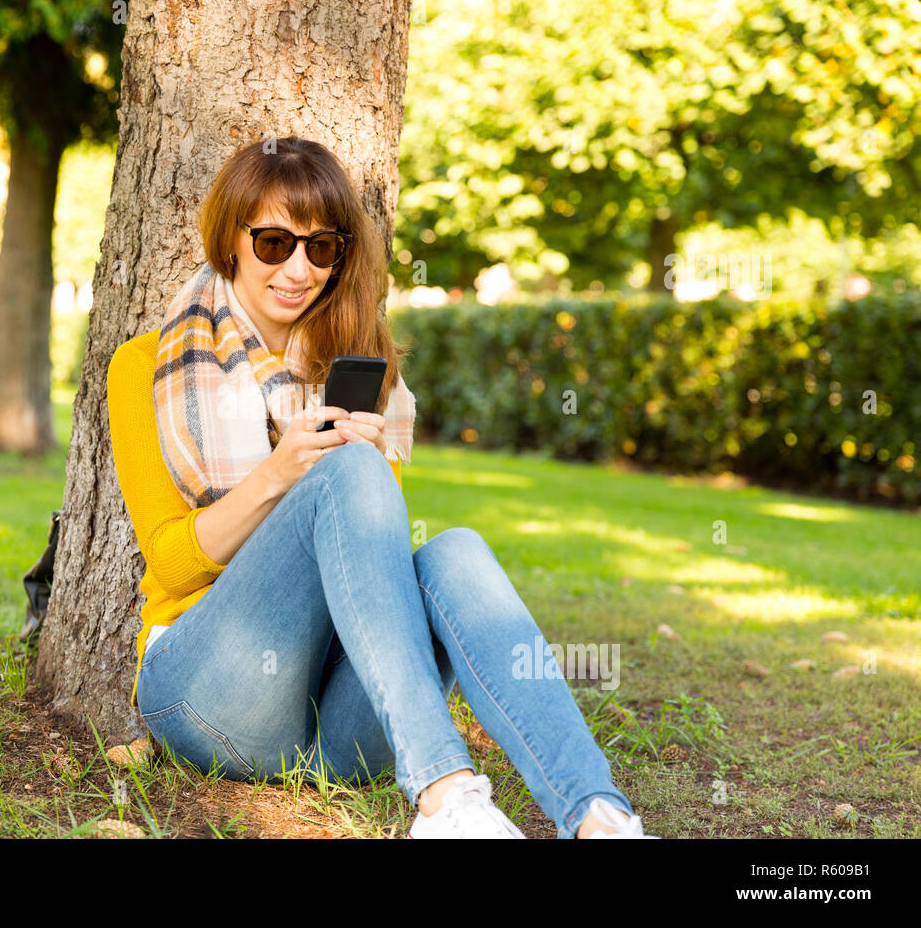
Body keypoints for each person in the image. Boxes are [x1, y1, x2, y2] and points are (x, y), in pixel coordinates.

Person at [106, 136, 654, 839]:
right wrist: (282, 475)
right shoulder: (145, 367)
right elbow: (171, 562)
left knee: (453, 551)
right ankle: (446, 796)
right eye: (274, 243)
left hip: (341, 728)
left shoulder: (356, 372)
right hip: (209, 698)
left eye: (321, 248)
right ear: (231, 242)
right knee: (348, 470)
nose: (298, 268)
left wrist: (363, 466)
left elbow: (378, 579)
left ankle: (600, 817)